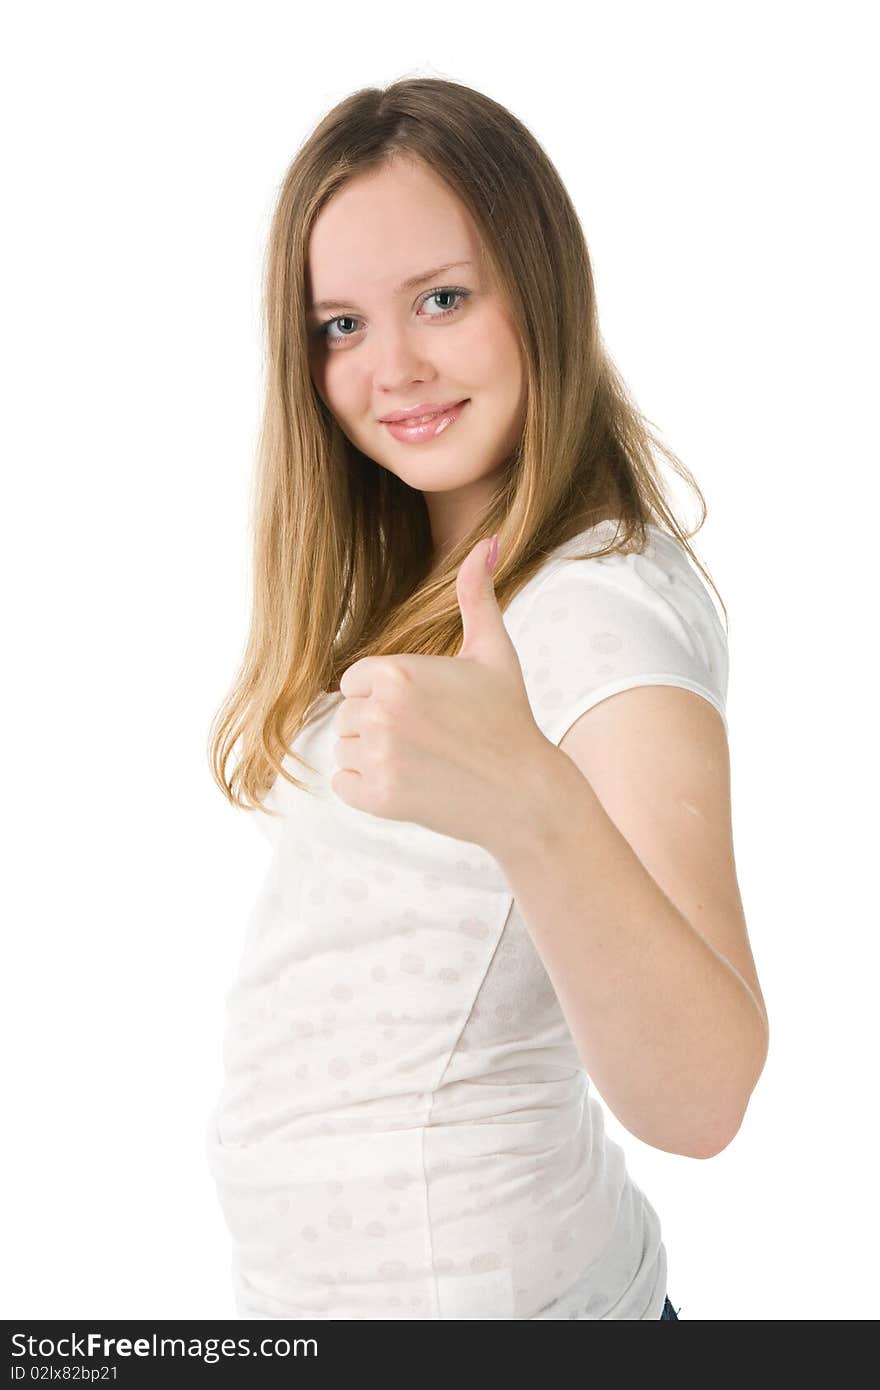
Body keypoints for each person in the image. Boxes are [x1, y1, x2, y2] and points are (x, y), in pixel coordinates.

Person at [203, 77, 769, 1321]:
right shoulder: (456, 582)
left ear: (543, 292)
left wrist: (531, 801)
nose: (390, 368)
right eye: (338, 325)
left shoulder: (593, 610)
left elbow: (705, 1093)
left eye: (442, 300)